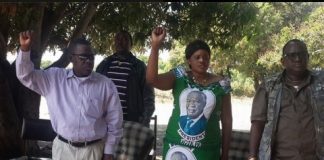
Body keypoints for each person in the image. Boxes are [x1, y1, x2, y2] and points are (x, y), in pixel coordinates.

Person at [16, 30, 123, 160]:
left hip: (93, 151)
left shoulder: (105, 85)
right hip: (63, 149)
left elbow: (115, 122)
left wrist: (109, 152)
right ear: (72, 58)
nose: (88, 61)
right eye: (83, 57)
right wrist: (25, 49)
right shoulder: (54, 79)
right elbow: (25, 75)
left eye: (91, 57)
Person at [147, 27, 232, 160]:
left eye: (206, 57)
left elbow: (227, 120)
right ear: (189, 61)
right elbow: (152, 80)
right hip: (175, 148)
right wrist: (155, 46)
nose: (202, 60)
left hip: (208, 151)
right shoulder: (179, 76)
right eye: (197, 57)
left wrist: (225, 153)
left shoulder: (222, 83)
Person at [248, 39, 324, 160]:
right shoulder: (268, 86)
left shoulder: (321, 83)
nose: (298, 59)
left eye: (302, 54)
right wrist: (252, 156)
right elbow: (258, 123)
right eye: (292, 55)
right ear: (283, 61)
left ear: (308, 57)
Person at [96, 30, 155, 127]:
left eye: (124, 39)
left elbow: (149, 97)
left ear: (131, 44)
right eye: (117, 39)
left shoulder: (139, 67)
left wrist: (144, 121)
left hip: (130, 122)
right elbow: (94, 92)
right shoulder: (104, 65)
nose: (120, 41)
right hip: (106, 122)